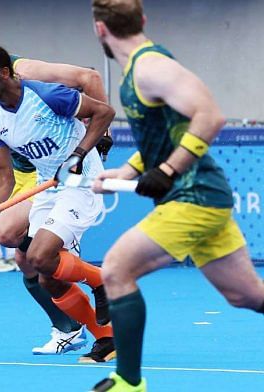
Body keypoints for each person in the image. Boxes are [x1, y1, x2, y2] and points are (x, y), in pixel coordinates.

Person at [89, 1, 264, 390]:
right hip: (198, 198)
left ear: (100, 29)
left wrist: (168, 171)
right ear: (143, 20)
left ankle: (128, 383)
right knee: (247, 295)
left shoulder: (150, 67)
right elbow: (166, 133)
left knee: (116, 269)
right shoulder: (137, 70)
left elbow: (210, 115)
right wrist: (130, 170)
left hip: (195, 196)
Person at [0, 18, 112, 354]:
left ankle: (100, 280)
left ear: (6, 73)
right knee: (44, 273)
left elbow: (104, 113)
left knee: (39, 254)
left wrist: (82, 153)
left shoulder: (46, 94)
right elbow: (4, 178)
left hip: (80, 181)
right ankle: (105, 338)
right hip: (45, 184)